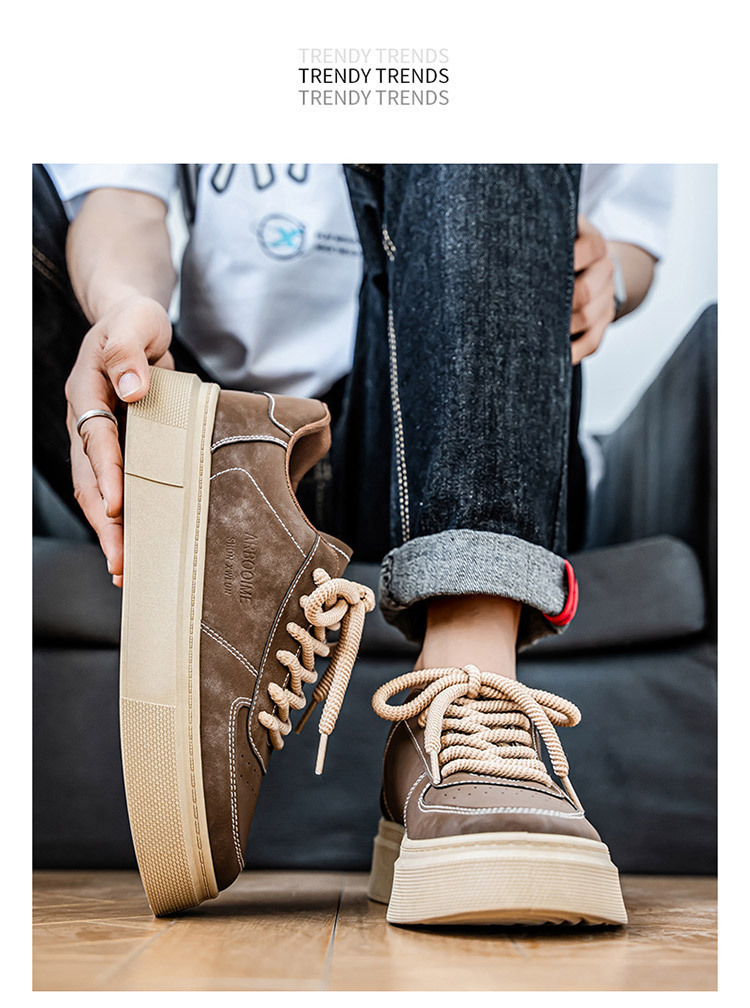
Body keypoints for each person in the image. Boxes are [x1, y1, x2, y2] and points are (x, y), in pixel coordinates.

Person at [33, 163, 674, 925]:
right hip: (206, 411)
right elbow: (122, 199)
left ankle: (466, 673)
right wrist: (121, 308)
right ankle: (234, 514)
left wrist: (603, 279)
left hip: (428, 432)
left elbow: (630, 243)